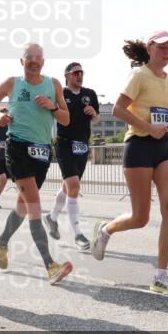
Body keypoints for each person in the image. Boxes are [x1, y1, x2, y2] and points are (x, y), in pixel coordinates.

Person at [89, 31, 168, 295]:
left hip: (163, 147)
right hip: (138, 147)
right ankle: (105, 230)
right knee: (140, 217)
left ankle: (160, 275)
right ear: (150, 48)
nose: (167, 52)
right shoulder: (139, 75)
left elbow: (167, 114)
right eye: (162, 47)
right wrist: (147, 127)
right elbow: (118, 109)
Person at [0, 43, 74, 285]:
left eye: (38, 57)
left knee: (23, 207)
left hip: (43, 152)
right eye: (29, 57)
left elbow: (66, 119)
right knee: (35, 205)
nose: (34, 61)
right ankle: (51, 265)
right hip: (17, 147)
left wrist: (53, 106)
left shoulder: (53, 84)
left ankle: (2, 241)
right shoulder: (12, 83)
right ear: (22, 61)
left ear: (43, 62)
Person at [45, 61, 99, 250]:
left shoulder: (90, 94)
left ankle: (51, 217)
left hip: (82, 145)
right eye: (75, 73)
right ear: (66, 76)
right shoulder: (62, 94)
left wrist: (94, 114)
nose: (79, 76)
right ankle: (78, 235)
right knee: (74, 186)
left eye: (81, 72)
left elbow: (97, 118)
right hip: (64, 143)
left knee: (69, 187)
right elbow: (50, 112)